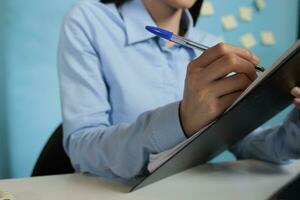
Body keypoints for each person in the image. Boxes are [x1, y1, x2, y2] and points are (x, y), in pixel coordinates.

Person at [58, 0, 300, 180]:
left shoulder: (214, 46)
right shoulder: (89, 21)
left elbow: (244, 142)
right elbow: (82, 150)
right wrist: (182, 120)